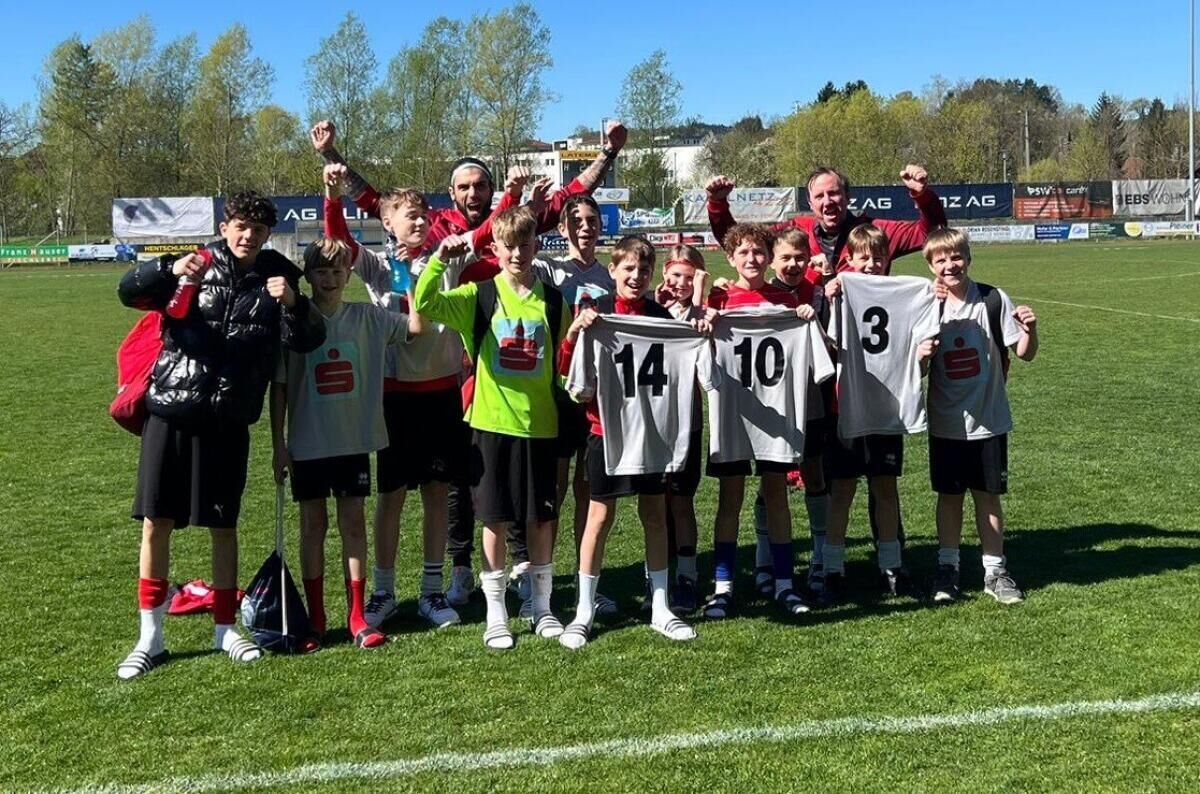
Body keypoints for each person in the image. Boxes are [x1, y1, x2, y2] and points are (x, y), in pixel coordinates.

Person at [310, 118, 628, 606]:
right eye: (464, 185)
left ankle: (509, 567)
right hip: (421, 385)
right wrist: (331, 163)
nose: (472, 192)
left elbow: (559, 200)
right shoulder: (432, 239)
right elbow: (369, 206)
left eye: (481, 185)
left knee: (480, 476)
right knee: (441, 485)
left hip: (475, 376)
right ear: (451, 193)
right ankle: (442, 572)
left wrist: (604, 155)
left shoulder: (492, 232)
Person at [115, 192, 326, 679]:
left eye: (257, 229)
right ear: (225, 226)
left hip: (229, 420)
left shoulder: (278, 276)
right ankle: (150, 636)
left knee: (224, 526)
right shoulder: (195, 263)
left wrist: (294, 303)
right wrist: (168, 268)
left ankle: (225, 629)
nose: (247, 235)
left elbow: (307, 340)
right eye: (240, 226)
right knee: (156, 523)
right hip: (171, 410)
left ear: (268, 234)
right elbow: (128, 292)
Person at [320, 163, 518, 630]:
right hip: (394, 397)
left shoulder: (447, 256)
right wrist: (332, 198)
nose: (419, 220)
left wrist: (508, 197)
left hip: (442, 393)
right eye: (408, 214)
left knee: (437, 493)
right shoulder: (377, 266)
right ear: (387, 222)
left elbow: (486, 232)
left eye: (423, 214)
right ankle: (384, 592)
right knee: (390, 497)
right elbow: (339, 241)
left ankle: (432, 591)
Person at [708, 166, 948, 549]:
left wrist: (923, 196)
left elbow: (929, 233)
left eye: (834, 193)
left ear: (847, 196)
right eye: (819, 195)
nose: (828, 201)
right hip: (811, 372)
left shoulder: (873, 230)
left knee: (878, 474)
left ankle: (888, 553)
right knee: (817, 468)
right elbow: (742, 243)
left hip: (869, 372)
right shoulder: (797, 230)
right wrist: (718, 206)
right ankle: (824, 556)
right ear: (810, 201)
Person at [413, 207, 573, 649]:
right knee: (495, 520)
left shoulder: (555, 301)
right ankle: (496, 613)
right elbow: (425, 303)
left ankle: (541, 607)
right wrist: (438, 260)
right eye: (509, 246)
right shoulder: (478, 296)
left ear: (536, 245)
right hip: (490, 427)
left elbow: (562, 362)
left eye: (526, 244)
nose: (518, 253)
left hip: (540, 427)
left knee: (540, 520)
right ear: (496, 249)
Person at [271, 237, 419, 649]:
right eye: (321, 271)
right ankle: (316, 617)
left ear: (349, 274)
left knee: (353, 524)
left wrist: (406, 280)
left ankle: (357, 615)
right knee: (312, 527)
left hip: (353, 441)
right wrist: (279, 444)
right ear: (307, 276)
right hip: (308, 443)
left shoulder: (368, 316)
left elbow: (415, 327)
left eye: (337, 271)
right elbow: (279, 387)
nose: (330, 278)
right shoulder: (292, 320)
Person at [558, 236, 705, 647]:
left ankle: (660, 605)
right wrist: (574, 333)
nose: (636, 276)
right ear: (613, 270)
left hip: (652, 432)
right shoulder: (597, 314)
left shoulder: (661, 317)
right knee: (598, 518)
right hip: (606, 432)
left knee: (655, 515)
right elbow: (570, 375)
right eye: (628, 268)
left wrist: (700, 327)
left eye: (644, 270)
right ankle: (584, 608)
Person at [703, 224, 828, 620]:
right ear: (730, 258)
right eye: (744, 252)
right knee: (730, 500)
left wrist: (806, 318)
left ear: (768, 256)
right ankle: (722, 587)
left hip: (776, 416)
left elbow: (817, 364)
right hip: (733, 415)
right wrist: (706, 319)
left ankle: (784, 583)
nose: (752, 259)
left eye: (758, 252)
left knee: (777, 495)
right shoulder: (718, 300)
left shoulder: (786, 302)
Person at [820, 225, 940, 604]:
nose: (871, 264)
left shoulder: (908, 292)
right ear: (849, 260)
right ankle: (832, 569)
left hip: (887, 408)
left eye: (878, 257)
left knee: (885, 488)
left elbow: (922, 343)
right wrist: (830, 297)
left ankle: (892, 566)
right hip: (848, 404)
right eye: (863, 258)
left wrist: (923, 349)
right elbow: (829, 344)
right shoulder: (842, 291)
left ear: (888, 259)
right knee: (842, 491)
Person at [923, 227, 1038, 604]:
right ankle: (948, 569)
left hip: (989, 420)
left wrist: (1030, 330)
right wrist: (921, 356)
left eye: (956, 257)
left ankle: (995, 572)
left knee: (988, 497)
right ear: (931, 266)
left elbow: (1024, 353)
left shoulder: (992, 298)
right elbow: (917, 369)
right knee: (949, 497)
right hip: (946, 422)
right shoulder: (927, 304)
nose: (950, 265)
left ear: (969, 259)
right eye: (941, 259)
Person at [653, 246, 711, 612]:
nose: (681, 283)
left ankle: (688, 575)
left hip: (686, 421)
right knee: (656, 502)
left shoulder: (705, 312)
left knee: (682, 500)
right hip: (652, 421)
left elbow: (697, 337)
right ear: (664, 275)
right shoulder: (652, 308)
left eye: (690, 277)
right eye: (675, 275)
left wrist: (701, 295)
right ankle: (658, 572)